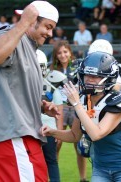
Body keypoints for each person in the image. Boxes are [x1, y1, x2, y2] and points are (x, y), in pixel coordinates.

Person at [0, 1, 60, 181]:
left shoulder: (28, 45)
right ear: (32, 20)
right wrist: (23, 23)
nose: (50, 34)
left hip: (16, 134)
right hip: (11, 134)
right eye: (48, 27)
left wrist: (40, 105)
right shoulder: (12, 35)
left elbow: (13, 86)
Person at [41, 52, 121, 181]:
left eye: (96, 76)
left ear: (109, 78)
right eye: (87, 75)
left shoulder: (117, 101)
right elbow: (74, 135)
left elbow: (96, 134)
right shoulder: (83, 101)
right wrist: (52, 132)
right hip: (100, 168)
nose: (89, 79)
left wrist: (77, 104)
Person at [50, 40, 89, 182]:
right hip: (59, 109)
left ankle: (83, 178)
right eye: (59, 53)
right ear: (56, 55)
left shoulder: (78, 67)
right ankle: (53, 176)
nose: (62, 55)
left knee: (79, 146)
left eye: (65, 52)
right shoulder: (52, 69)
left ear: (70, 52)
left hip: (75, 108)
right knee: (57, 143)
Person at [37, 49, 64, 182]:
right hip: (28, 129)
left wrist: (58, 132)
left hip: (48, 129)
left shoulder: (51, 85)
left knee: (51, 161)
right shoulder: (20, 85)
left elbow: (59, 110)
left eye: (40, 66)